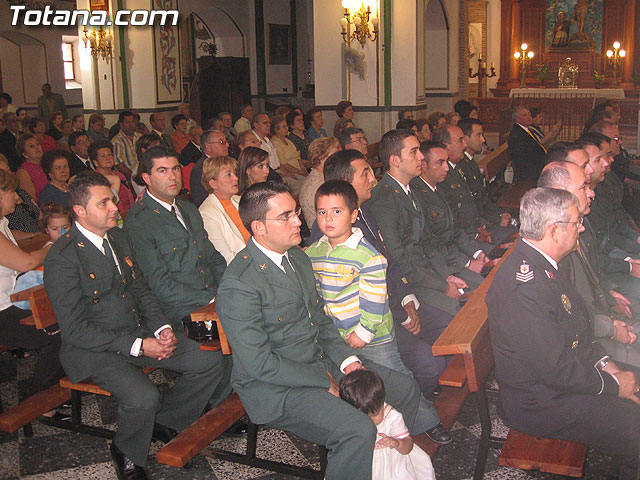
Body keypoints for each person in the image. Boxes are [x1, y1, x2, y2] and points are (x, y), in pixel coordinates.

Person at [216, 181, 444, 480]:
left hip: (319, 361)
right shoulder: (240, 284)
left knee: (403, 387)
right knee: (356, 430)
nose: (299, 220)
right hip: (276, 387)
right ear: (258, 227)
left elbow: (320, 322)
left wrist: (350, 362)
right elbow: (259, 364)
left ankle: (387, 465)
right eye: (286, 216)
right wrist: (324, 382)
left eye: (296, 211)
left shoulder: (297, 257)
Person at [44, 172, 231, 480]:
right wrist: (140, 344)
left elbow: (141, 289)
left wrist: (160, 329)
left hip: (139, 333)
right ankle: (127, 450)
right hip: (94, 349)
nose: (114, 207)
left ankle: (167, 421)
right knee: (144, 397)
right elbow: (75, 329)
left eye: (112, 200)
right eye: (103, 203)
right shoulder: (63, 258)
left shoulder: (117, 237)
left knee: (208, 358)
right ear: (80, 211)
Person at [487, 186, 640, 480]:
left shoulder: (547, 265)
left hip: (562, 378)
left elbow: (578, 325)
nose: (581, 228)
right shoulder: (526, 289)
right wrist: (612, 385)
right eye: (576, 223)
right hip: (539, 401)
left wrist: (607, 364)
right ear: (554, 231)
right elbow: (555, 370)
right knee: (635, 426)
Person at [319, 150, 453, 400]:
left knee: (449, 326)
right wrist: (402, 315)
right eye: (365, 174)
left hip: (396, 303)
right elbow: (355, 301)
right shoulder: (331, 236)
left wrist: (407, 300)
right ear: (346, 184)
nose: (373, 179)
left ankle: (425, 391)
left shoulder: (365, 211)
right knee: (428, 363)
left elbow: (389, 262)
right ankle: (410, 406)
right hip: (376, 321)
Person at [124, 146, 228, 329]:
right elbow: (160, 285)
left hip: (214, 297)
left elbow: (214, 258)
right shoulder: (139, 221)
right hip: (180, 309)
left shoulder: (188, 209)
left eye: (176, 169)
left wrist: (227, 290)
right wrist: (212, 298)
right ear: (146, 178)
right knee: (240, 331)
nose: (172, 177)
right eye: (162, 171)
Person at [367, 129, 467, 316]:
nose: (421, 157)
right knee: (460, 312)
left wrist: (446, 275)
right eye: (414, 152)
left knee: (474, 294)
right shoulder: (385, 200)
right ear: (395, 160)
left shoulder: (409, 191)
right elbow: (399, 259)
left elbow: (427, 243)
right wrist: (442, 285)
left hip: (427, 273)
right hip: (409, 284)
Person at [0, 169, 64, 400]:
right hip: (2, 309)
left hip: (12, 300)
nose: (17, 198)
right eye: (11, 192)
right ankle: (39, 399)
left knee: (67, 320)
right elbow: (26, 261)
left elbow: (11, 238)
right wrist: (47, 248)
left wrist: (33, 237)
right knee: (56, 336)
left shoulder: (2, 221)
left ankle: (55, 389)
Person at [411, 140, 488, 288]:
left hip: (453, 256)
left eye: (446, 162)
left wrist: (477, 253)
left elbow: (455, 229)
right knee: (482, 288)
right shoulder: (418, 196)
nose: (447, 168)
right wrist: (466, 262)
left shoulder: (439, 189)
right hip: (439, 265)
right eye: (440, 163)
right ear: (423, 166)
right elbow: (430, 245)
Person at [339, 370, 435, 480]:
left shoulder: (392, 417)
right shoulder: (349, 416)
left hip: (390, 465)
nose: (369, 422)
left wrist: (397, 443)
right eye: (363, 417)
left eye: (374, 415)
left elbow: (408, 446)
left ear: (381, 401)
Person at [453, 119, 518, 243]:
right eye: (478, 135)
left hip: (483, 218)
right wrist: (497, 219)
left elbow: (482, 197)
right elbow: (473, 204)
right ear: (466, 139)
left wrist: (500, 213)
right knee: (514, 237)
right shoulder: (462, 165)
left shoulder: (469, 162)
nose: (483, 140)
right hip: (477, 224)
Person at [199, 155, 251, 264]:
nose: (236, 178)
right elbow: (224, 256)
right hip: (242, 267)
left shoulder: (239, 200)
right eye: (228, 175)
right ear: (213, 183)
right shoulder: (207, 213)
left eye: (234, 173)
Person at [299, 137, 340, 226]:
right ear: (322, 157)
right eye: (335, 155)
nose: (338, 159)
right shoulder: (317, 184)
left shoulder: (324, 177)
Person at [89, 140, 135, 216]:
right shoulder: (95, 180)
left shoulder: (119, 175)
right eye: (103, 156)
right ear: (95, 162)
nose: (108, 158)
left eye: (110, 154)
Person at [0, 156, 40, 236]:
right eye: (3, 173)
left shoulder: (21, 192)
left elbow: (40, 214)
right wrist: (32, 235)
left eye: (8, 170)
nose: (16, 197)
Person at [189, 129, 230, 207]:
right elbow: (201, 200)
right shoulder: (200, 169)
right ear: (208, 147)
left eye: (226, 141)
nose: (227, 145)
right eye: (221, 142)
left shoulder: (228, 162)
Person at [508, 105, 547, 182]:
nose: (529, 117)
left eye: (529, 114)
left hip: (536, 165)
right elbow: (524, 158)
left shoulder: (526, 129)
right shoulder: (517, 134)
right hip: (528, 173)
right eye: (525, 115)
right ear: (517, 119)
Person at [271, 115, 307, 195]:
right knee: (303, 186)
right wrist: (299, 171)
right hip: (289, 172)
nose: (287, 128)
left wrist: (303, 168)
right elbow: (284, 164)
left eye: (286, 126)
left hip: (298, 170)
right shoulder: (275, 142)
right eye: (283, 127)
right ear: (276, 130)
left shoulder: (288, 140)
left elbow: (298, 157)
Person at [16, 133, 47, 203]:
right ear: (24, 154)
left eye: (38, 144)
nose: (37, 148)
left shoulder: (47, 163)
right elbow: (31, 202)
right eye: (31, 146)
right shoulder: (23, 172)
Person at [111, 111, 142, 178]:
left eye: (133, 122)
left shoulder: (139, 137)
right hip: (127, 177)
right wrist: (134, 176)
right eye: (127, 122)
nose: (131, 125)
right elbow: (119, 165)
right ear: (121, 125)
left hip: (141, 174)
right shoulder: (116, 141)